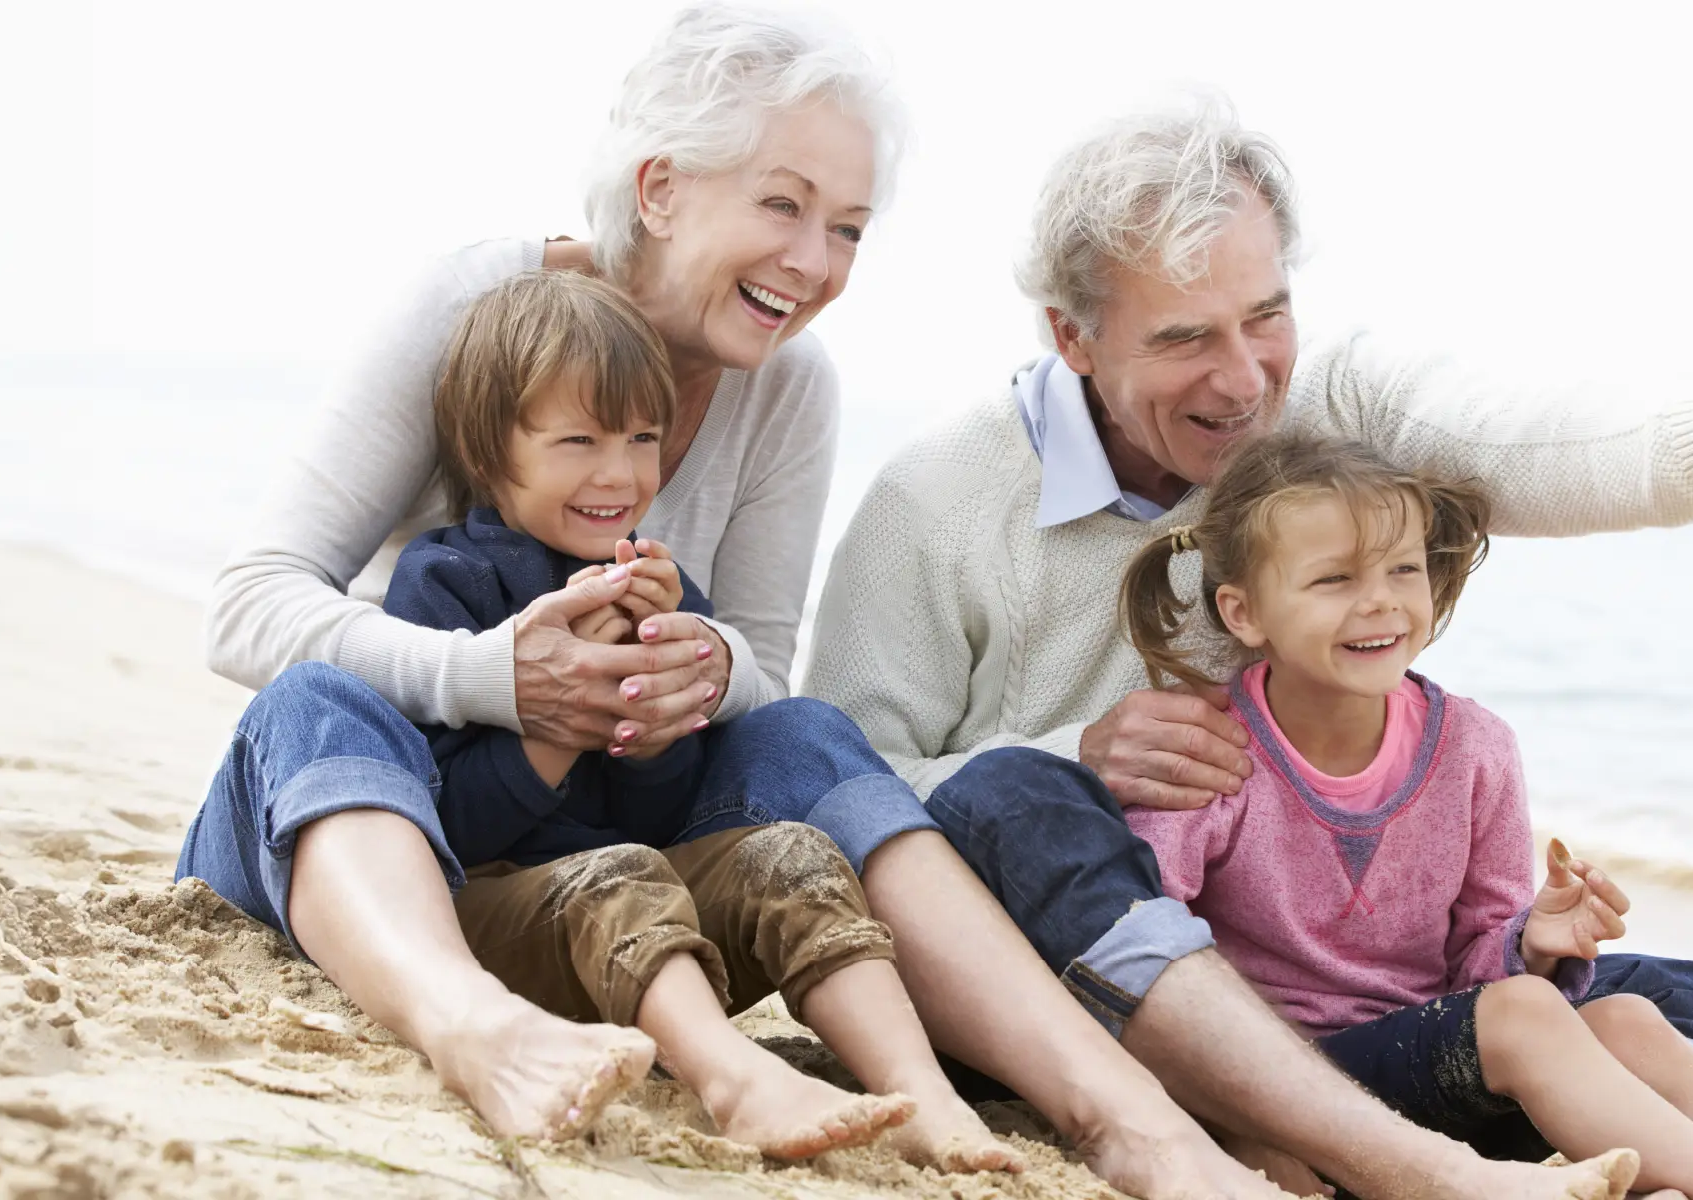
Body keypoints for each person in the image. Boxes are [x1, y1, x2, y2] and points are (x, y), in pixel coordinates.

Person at [195, 9, 1303, 1194]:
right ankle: (473, 1027)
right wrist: (491, 678)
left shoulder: (788, 388)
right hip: (378, 852)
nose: (816, 262)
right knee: (316, 698)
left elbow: (767, 668)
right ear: (662, 187)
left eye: (847, 228)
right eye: (783, 205)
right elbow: (248, 605)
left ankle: (1119, 1116)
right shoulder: (482, 304)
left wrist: (710, 668)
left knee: (805, 732)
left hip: (603, 865)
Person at [804, 90, 1693, 1196]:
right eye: (1184, 338)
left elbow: (1508, 433)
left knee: (1678, 1001)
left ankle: (1628, 1164)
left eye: (1264, 316)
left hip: (1358, 1010)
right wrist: (1069, 754)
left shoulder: (1322, 405)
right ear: (1073, 337)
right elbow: (836, 793)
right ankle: (1314, 1129)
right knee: (1019, 794)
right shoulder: (936, 500)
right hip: (1083, 968)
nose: (1243, 380)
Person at [205, 267, 1029, 1167]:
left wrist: (658, 720)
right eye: (578, 440)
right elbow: (449, 822)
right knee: (617, 873)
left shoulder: (658, 586)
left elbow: (661, 807)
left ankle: (921, 1093)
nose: (620, 472)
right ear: (490, 457)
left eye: (644, 437)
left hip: (635, 935)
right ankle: (733, 1079)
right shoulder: (448, 581)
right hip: (498, 908)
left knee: (790, 856)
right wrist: (557, 731)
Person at [1111, 429, 1693, 1199]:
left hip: (1435, 1078)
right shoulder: (1204, 753)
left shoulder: (1473, 747)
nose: (1380, 600)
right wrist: (1237, 1123)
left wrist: (1532, 944)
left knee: (1629, 1018)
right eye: (1333, 579)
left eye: (1404, 569)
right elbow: (1149, 960)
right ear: (1244, 612)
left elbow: (1477, 967)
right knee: (1524, 1015)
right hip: (1283, 1084)